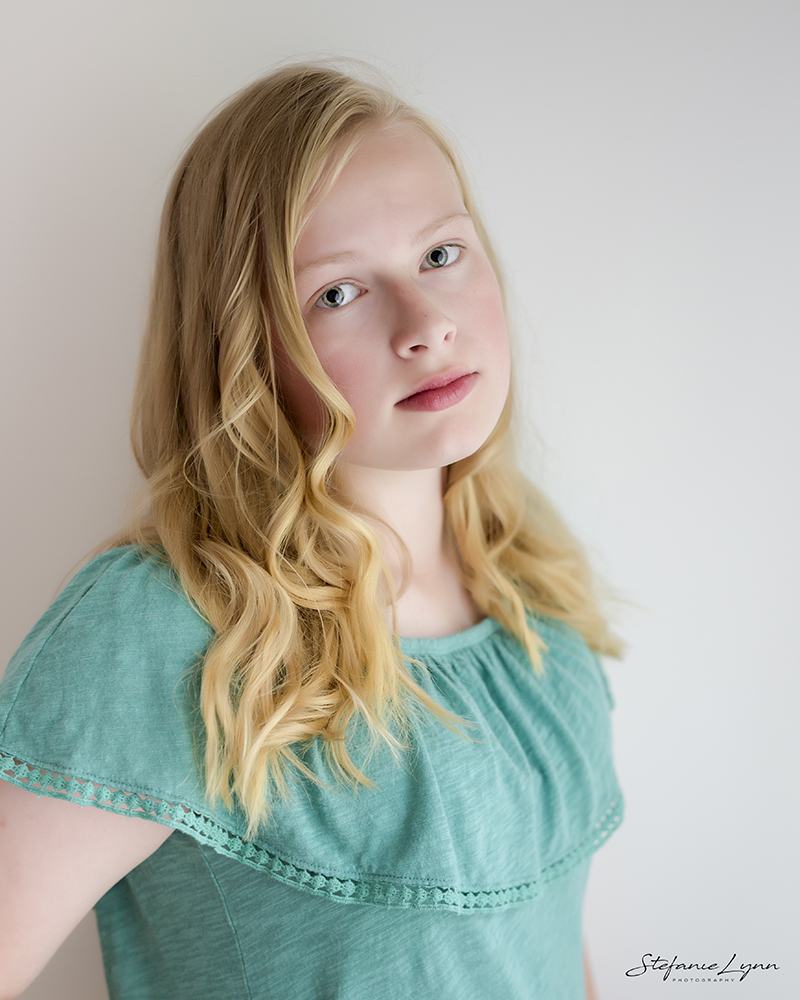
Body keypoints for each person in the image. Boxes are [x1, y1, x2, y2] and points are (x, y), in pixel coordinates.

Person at [0, 62, 623, 999]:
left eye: (441, 255)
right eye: (339, 293)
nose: (426, 326)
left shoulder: (530, 574)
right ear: (247, 352)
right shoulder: (163, 633)